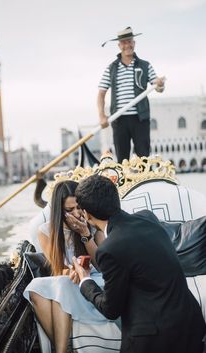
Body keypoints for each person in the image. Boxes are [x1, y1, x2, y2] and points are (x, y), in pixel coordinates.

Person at [71, 174, 206, 353]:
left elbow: (111, 309)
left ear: (86, 214)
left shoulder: (109, 249)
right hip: (191, 322)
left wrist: (84, 280)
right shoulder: (147, 217)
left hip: (155, 339)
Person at [23, 180, 120, 353]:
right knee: (34, 288)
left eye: (78, 207)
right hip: (68, 279)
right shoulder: (46, 231)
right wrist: (73, 271)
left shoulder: (93, 223)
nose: (76, 213)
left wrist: (85, 234)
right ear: (59, 211)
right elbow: (58, 268)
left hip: (95, 280)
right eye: (69, 210)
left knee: (61, 285)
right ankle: (64, 348)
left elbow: (102, 265)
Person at [98, 26, 165, 163]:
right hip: (119, 120)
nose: (127, 45)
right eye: (124, 43)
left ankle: (146, 182)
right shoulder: (111, 69)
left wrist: (160, 84)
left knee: (144, 157)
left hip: (140, 119)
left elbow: (157, 87)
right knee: (122, 159)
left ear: (134, 43)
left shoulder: (145, 66)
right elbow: (101, 95)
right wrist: (102, 116)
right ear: (119, 46)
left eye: (129, 41)